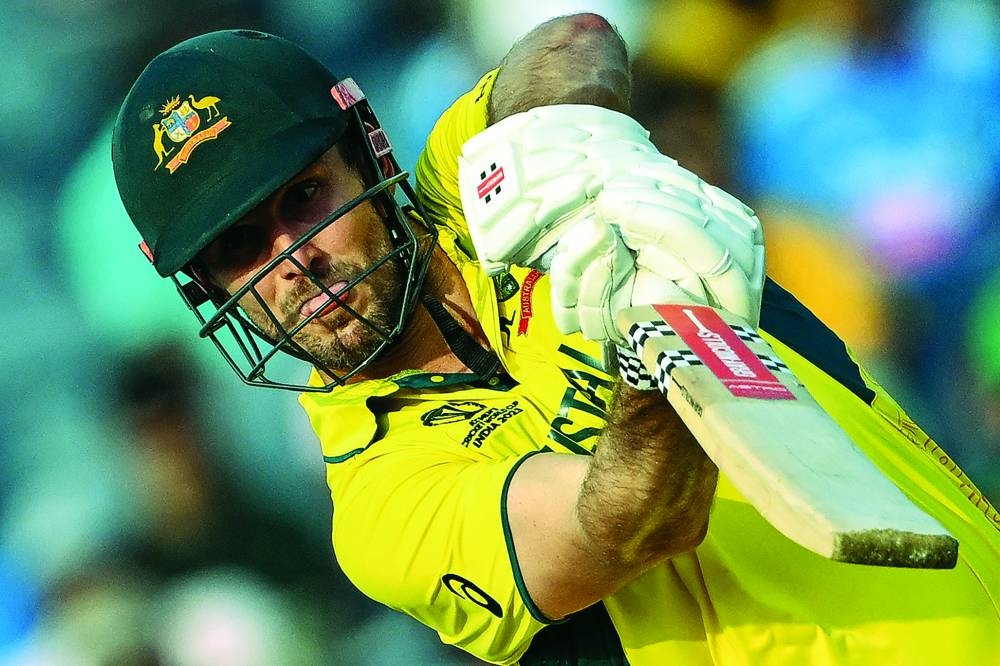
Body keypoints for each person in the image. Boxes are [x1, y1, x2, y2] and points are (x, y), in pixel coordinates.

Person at [110, 14, 1000, 665]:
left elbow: (573, 44)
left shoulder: (464, 187)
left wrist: (572, 141)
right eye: (238, 251)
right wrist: (658, 341)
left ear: (369, 154)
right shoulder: (378, 503)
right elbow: (625, 522)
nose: (292, 259)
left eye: (302, 198)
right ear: (206, 289)